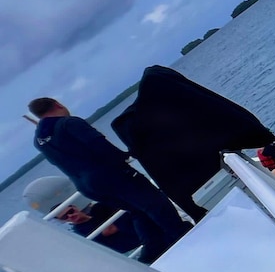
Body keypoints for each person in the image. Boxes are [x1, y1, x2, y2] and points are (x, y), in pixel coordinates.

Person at [28, 97, 189, 263]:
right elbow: (97, 143)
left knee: (137, 211)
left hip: (87, 187)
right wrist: (123, 158)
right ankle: (183, 234)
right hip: (108, 176)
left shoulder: (38, 141)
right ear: (58, 104)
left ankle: (153, 249)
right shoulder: (69, 123)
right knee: (155, 203)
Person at [23, 176, 144, 257]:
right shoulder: (82, 231)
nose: (71, 216)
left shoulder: (98, 210)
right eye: (65, 217)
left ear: (75, 207)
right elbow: (110, 229)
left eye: (70, 211)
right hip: (133, 249)